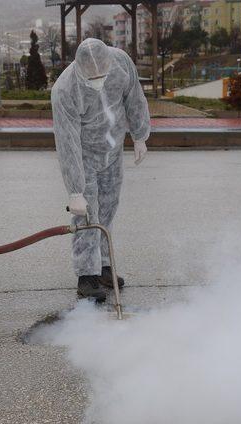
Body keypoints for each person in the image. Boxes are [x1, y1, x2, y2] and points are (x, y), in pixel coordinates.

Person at [51, 38, 150, 301]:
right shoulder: (65, 90)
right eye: (91, 77)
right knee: (87, 213)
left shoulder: (121, 63)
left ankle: (103, 266)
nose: (98, 80)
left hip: (113, 151)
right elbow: (67, 140)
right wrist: (75, 190)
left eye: (102, 75)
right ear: (79, 69)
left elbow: (134, 98)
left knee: (108, 208)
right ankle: (87, 275)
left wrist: (140, 136)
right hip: (85, 156)